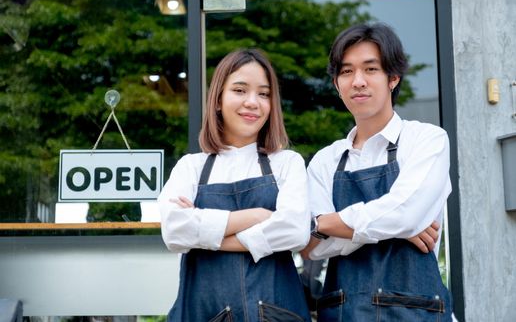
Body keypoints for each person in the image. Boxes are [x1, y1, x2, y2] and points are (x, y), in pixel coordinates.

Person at [301, 23, 454, 321]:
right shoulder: (324, 160)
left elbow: (406, 214)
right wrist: (396, 228)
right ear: (336, 84)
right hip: (344, 312)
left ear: (393, 78)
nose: (358, 81)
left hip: (415, 312)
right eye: (346, 72)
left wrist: (325, 221)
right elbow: (313, 248)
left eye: (370, 69)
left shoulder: (427, 139)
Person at [159, 48, 311, 322]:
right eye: (240, 90)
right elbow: (174, 230)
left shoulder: (287, 162)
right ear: (217, 100)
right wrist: (258, 217)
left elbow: (295, 231)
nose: (253, 102)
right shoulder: (191, 166)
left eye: (263, 94)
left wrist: (210, 237)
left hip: (276, 314)